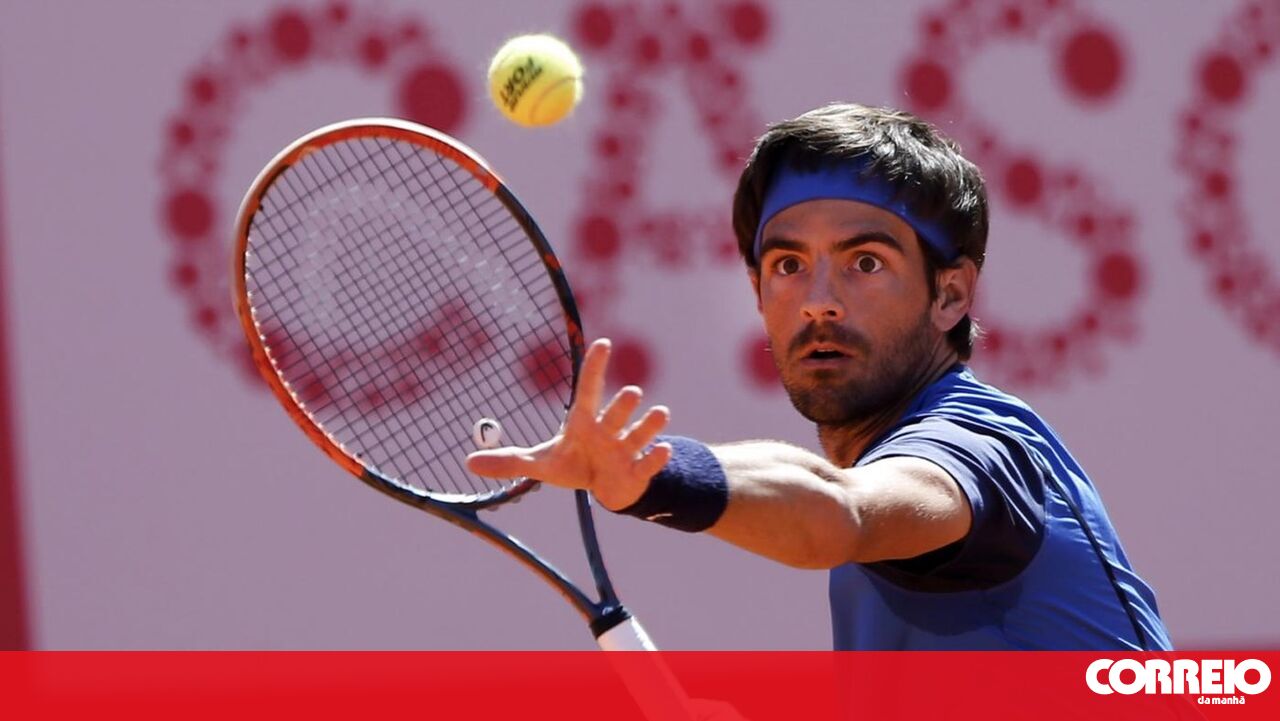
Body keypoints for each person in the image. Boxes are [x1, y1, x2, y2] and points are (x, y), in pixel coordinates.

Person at [467, 102, 1171, 651]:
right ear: (758, 293)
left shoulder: (985, 446)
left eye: (865, 261)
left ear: (951, 294)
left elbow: (838, 512)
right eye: (788, 265)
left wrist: (657, 477)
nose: (818, 300)